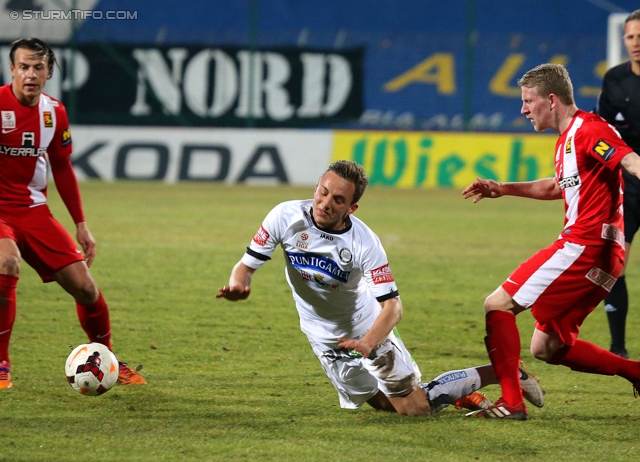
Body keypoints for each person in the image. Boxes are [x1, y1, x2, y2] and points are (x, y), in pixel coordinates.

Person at [217, 160, 544, 416]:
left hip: (368, 329)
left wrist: (368, 342)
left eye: (338, 199)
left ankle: (502, 370)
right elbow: (246, 265)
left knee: (415, 409)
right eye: (323, 192)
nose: (325, 203)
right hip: (321, 335)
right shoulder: (284, 216)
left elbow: (393, 307)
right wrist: (238, 285)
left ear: (351, 208)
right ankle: (453, 392)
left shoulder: (364, 243)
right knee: (385, 406)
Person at [462, 63, 640, 420]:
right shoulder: (567, 141)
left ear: (552, 100)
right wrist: (504, 189)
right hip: (607, 257)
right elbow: (556, 187)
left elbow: (629, 159)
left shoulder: (589, 130)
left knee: (497, 304)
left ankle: (512, 404)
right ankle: (635, 371)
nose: (524, 109)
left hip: (585, 247)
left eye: (529, 101)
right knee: (546, 347)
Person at [0, 38, 146, 388]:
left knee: (85, 288)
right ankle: (1, 363)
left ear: (49, 72)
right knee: (7, 263)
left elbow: (62, 168)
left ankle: (106, 359)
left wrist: (81, 224)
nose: (30, 74)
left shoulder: (54, 113)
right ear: (12, 70)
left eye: (38, 67)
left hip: (34, 212)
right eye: (23, 67)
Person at [595, 9, 640, 359]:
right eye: (630, 36)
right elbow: (601, 135)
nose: (635, 43)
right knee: (615, 262)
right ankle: (618, 348)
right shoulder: (614, 80)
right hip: (628, 188)